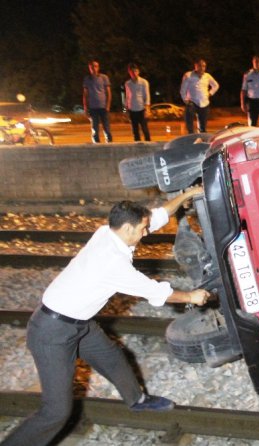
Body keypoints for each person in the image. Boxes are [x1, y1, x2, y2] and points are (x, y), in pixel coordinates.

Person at [2, 189, 210, 446]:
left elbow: (158, 215)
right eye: (142, 229)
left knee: (112, 357)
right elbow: (155, 292)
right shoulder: (111, 262)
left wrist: (188, 193)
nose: (146, 233)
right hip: (51, 332)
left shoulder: (108, 233)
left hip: (79, 323)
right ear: (127, 228)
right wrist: (192, 297)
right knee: (56, 412)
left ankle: (137, 401)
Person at [180, 59, 219, 133]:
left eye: (204, 66)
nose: (202, 68)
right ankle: (190, 135)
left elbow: (216, 85)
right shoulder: (188, 75)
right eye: (200, 66)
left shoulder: (207, 76)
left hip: (204, 102)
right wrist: (185, 100)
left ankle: (202, 136)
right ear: (196, 66)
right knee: (189, 118)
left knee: (203, 125)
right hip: (192, 102)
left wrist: (210, 93)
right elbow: (183, 89)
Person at [83, 60, 112, 143]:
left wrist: (108, 106)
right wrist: (85, 108)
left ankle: (109, 146)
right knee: (95, 130)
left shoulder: (104, 77)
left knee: (107, 129)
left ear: (98, 67)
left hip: (103, 107)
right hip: (92, 108)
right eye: (92, 67)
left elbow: (108, 93)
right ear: (89, 68)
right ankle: (96, 147)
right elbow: (85, 94)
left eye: (95, 66)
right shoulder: (87, 79)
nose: (94, 68)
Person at [124, 63, 151, 142]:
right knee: (135, 131)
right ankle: (137, 146)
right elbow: (127, 97)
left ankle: (149, 144)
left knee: (145, 129)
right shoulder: (127, 83)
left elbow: (147, 96)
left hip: (141, 109)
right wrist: (126, 110)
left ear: (138, 71)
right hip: (132, 110)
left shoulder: (144, 82)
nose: (134, 73)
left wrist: (147, 109)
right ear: (129, 72)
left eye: (135, 71)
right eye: (132, 71)